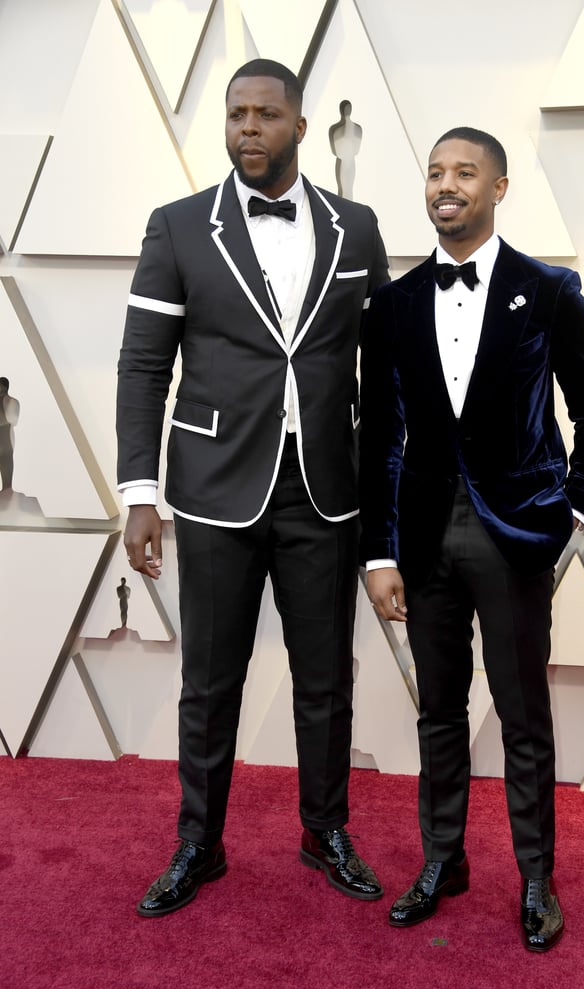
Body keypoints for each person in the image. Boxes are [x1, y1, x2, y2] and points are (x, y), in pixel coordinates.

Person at [116, 59, 389, 918]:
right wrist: (138, 491)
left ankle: (324, 831)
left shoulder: (357, 227)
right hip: (209, 489)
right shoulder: (178, 228)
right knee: (209, 679)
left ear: (300, 128)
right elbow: (142, 366)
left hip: (323, 490)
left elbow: (381, 374)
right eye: (236, 114)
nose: (247, 129)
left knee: (326, 679)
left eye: (266, 115)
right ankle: (199, 842)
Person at [359, 127, 584, 952]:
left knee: (521, 717)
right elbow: (378, 440)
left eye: (464, 172)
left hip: (515, 537)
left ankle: (536, 875)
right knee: (438, 712)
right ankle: (443, 862)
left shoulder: (549, 292)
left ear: (498, 188)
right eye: (434, 172)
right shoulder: (392, 306)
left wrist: (573, 508)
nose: (445, 185)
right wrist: (379, 551)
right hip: (425, 537)